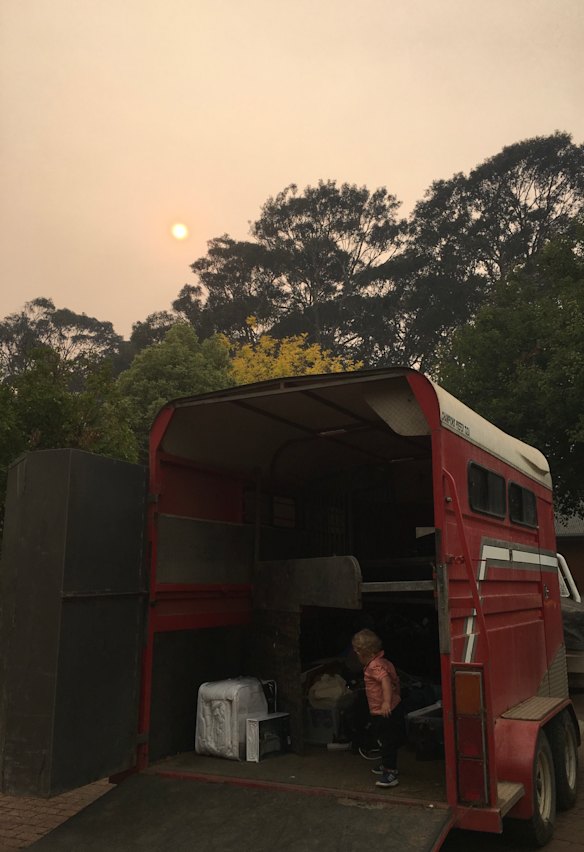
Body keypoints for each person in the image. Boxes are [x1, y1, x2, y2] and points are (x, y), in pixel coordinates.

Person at [352, 628, 403, 788]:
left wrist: (386, 702)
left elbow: (386, 681)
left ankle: (390, 772)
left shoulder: (374, 667)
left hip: (383, 710)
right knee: (385, 738)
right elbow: (395, 680)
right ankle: (386, 765)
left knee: (385, 741)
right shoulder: (383, 662)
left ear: (362, 653)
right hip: (392, 707)